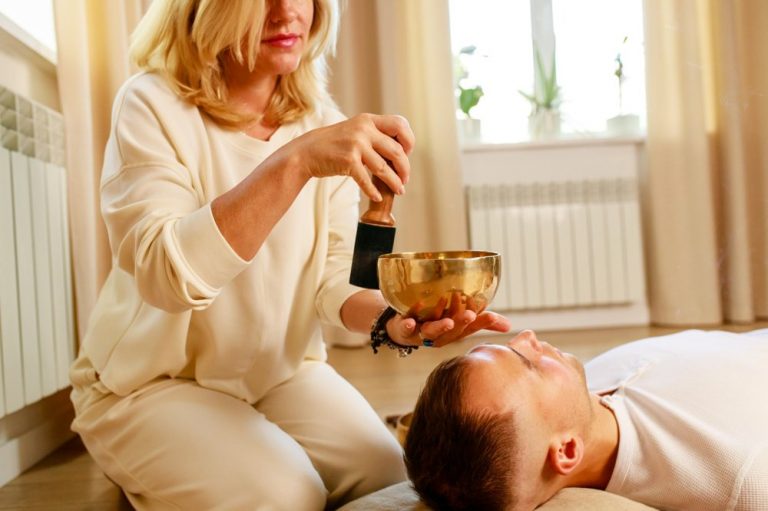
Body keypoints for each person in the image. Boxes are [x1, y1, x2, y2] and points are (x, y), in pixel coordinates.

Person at [68, 1, 511, 510]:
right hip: (146, 385)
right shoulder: (151, 104)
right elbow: (169, 277)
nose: (287, 13)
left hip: (277, 374)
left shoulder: (322, 122)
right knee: (289, 495)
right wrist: (296, 162)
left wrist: (398, 318)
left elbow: (333, 282)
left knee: (389, 478)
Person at [404, 328, 768, 511]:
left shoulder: (589, 385)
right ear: (566, 451)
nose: (527, 336)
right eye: (528, 365)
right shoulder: (743, 475)